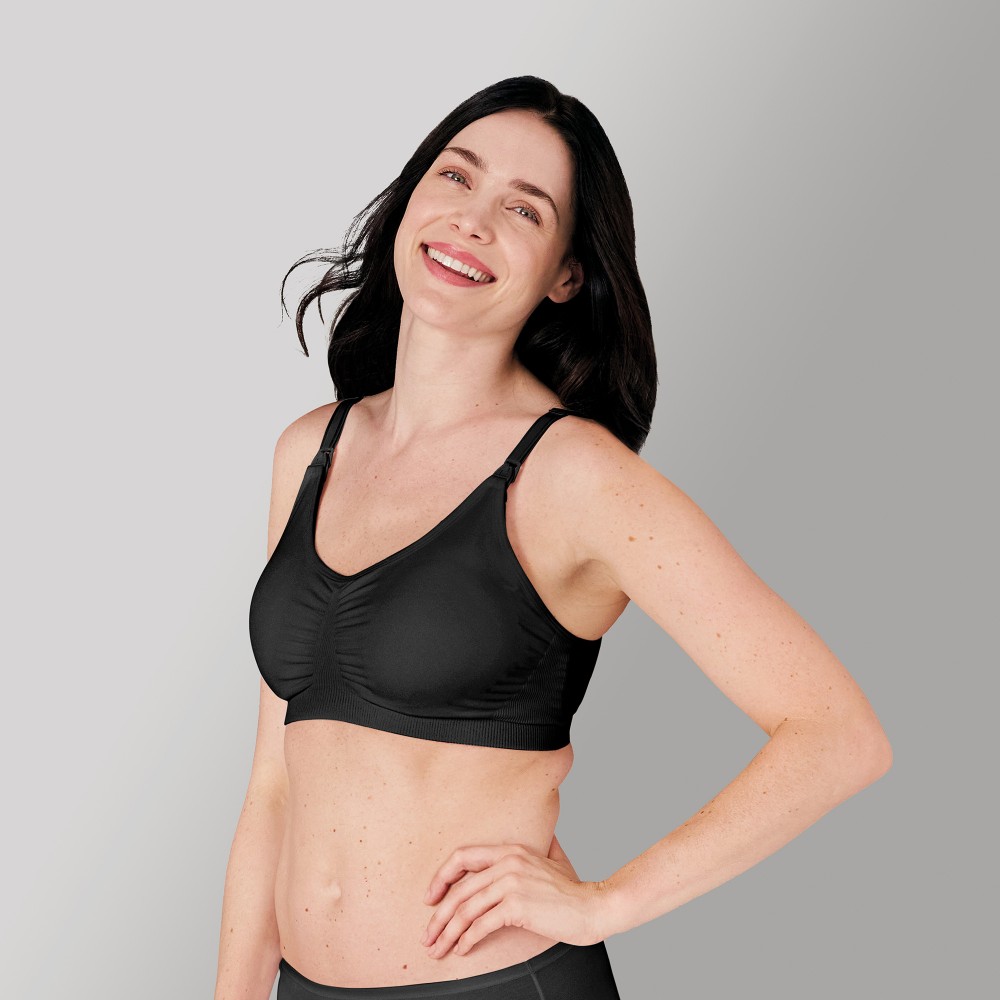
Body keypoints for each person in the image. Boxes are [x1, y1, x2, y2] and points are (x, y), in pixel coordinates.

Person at [214, 76, 892, 1000]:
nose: (472, 220)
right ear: (412, 197)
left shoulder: (575, 478)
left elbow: (839, 735)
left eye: (524, 209)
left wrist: (606, 903)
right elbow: (273, 788)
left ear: (566, 274)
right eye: (457, 177)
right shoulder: (310, 451)